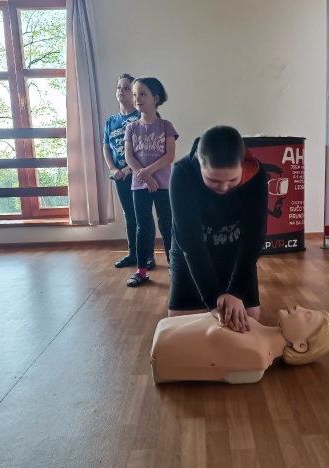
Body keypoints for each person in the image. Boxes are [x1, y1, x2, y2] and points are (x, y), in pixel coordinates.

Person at [168, 126, 268, 334]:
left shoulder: (257, 173)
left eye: (232, 180)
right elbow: (191, 243)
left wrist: (235, 292)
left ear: (242, 164)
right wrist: (213, 301)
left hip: (234, 247)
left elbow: (254, 238)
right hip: (192, 250)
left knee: (250, 318)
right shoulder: (182, 172)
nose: (223, 187)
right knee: (179, 324)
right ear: (199, 162)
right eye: (213, 180)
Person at [150, 306, 329, 384]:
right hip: (166, 334)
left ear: (300, 346)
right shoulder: (255, 327)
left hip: (165, 347)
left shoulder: (256, 355)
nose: (299, 307)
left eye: (307, 315)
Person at [124, 77, 178, 287]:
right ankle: (141, 271)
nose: (137, 98)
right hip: (139, 186)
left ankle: (175, 268)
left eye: (142, 94)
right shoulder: (131, 128)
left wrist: (149, 172)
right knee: (143, 227)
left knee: (166, 225)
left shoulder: (166, 126)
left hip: (163, 185)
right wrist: (145, 177)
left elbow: (169, 156)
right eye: (135, 94)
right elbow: (129, 157)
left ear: (155, 98)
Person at [102, 73, 156, 271]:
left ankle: (148, 256)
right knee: (129, 216)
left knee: (144, 216)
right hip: (120, 177)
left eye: (126, 88)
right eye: (119, 87)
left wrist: (128, 168)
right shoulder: (110, 121)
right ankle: (133, 254)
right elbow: (106, 147)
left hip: (139, 175)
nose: (121, 91)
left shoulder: (142, 117)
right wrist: (114, 169)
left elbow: (149, 147)